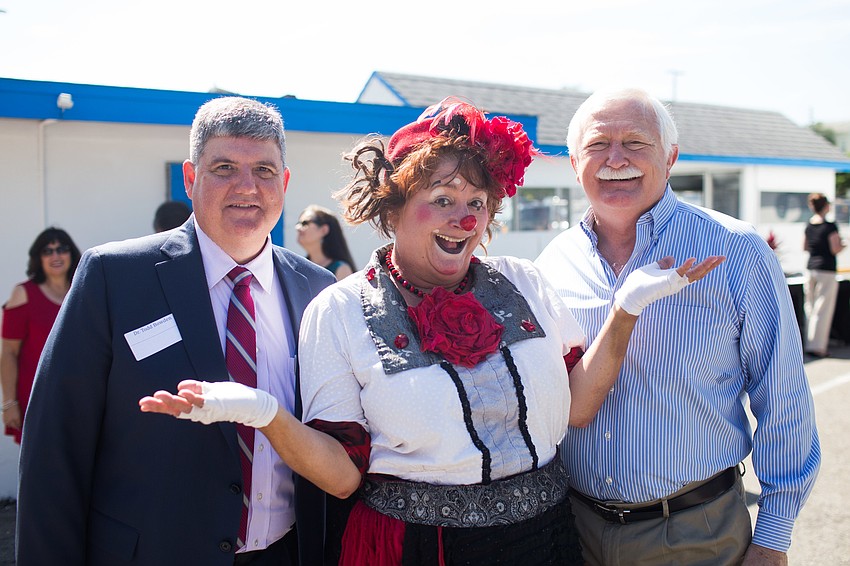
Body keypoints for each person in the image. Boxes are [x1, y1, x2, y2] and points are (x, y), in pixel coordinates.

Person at [141, 97, 721, 565]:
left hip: (545, 540)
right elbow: (343, 477)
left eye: (476, 201)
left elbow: (577, 407)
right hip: (417, 550)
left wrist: (625, 311)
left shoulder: (525, 282)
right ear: (392, 209)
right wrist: (266, 412)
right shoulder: (340, 310)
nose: (464, 218)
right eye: (441, 198)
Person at [17, 96, 335, 565]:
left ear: (284, 183)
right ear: (191, 178)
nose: (247, 186)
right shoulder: (114, 277)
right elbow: (54, 452)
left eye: (264, 170)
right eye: (224, 166)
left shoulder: (317, 289)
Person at [534, 88, 821, 566]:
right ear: (572, 162)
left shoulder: (736, 251)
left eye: (636, 143)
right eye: (598, 144)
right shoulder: (551, 265)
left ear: (670, 157)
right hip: (575, 531)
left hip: (695, 534)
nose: (616, 158)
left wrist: (773, 538)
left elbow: (783, 398)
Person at [1, 227, 80, 444]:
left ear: (71, 253)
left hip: (79, 395)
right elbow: (8, 353)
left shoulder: (83, 290)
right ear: (39, 258)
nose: (56, 256)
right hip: (37, 398)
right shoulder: (23, 294)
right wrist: (9, 403)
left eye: (61, 249)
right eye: (47, 251)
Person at [803, 192, 845, 358]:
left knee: (810, 308)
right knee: (823, 309)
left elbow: (805, 247)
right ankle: (818, 346)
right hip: (826, 269)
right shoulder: (830, 226)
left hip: (810, 268)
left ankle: (808, 342)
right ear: (826, 206)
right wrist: (843, 245)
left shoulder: (809, 225)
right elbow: (835, 248)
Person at [295, 204, 356, 279]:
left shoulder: (341, 269)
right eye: (298, 224)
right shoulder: (298, 267)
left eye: (305, 223)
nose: (298, 228)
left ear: (324, 230)